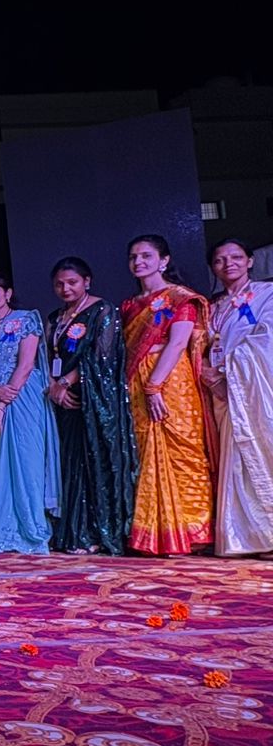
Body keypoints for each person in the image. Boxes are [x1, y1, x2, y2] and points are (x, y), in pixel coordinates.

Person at [121, 235, 216, 556]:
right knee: (146, 451)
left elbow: (177, 344)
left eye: (146, 256)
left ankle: (193, 531)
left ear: (163, 261)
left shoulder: (181, 298)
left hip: (171, 379)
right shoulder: (130, 306)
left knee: (183, 449)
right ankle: (155, 535)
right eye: (133, 257)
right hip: (137, 379)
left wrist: (154, 386)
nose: (139, 262)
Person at [46, 258, 135, 555]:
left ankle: (95, 532)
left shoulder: (102, 310)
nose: (65, 289)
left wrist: (65, 383)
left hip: (90, 399)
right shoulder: (55, 317)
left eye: (72, 282)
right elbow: (46, 356)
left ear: (87, 281)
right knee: (67, 462)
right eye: (59, 284)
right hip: (60, 400)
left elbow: (101, 356)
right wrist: (53, 387)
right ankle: (73, 533)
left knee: (91, 460)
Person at [0, 274, 60, 554]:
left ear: (8, 293)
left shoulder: (25, 320)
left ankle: (31, 528)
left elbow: (26, 364)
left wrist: (3, 401)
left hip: (22, 396)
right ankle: (2, 528)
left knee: (26, 461)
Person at [202, 238, 273, 557]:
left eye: (236, 257)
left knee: (262, 450)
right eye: (220, 260)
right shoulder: (212, 306)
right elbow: (201, 346)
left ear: (249, 261)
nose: (228, 264)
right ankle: (246, 536)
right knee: (234, 461)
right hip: (221, 393)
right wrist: (208, 373)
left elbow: (267, 338)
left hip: (256, 389)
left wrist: (228, 371)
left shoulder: (267, 295)